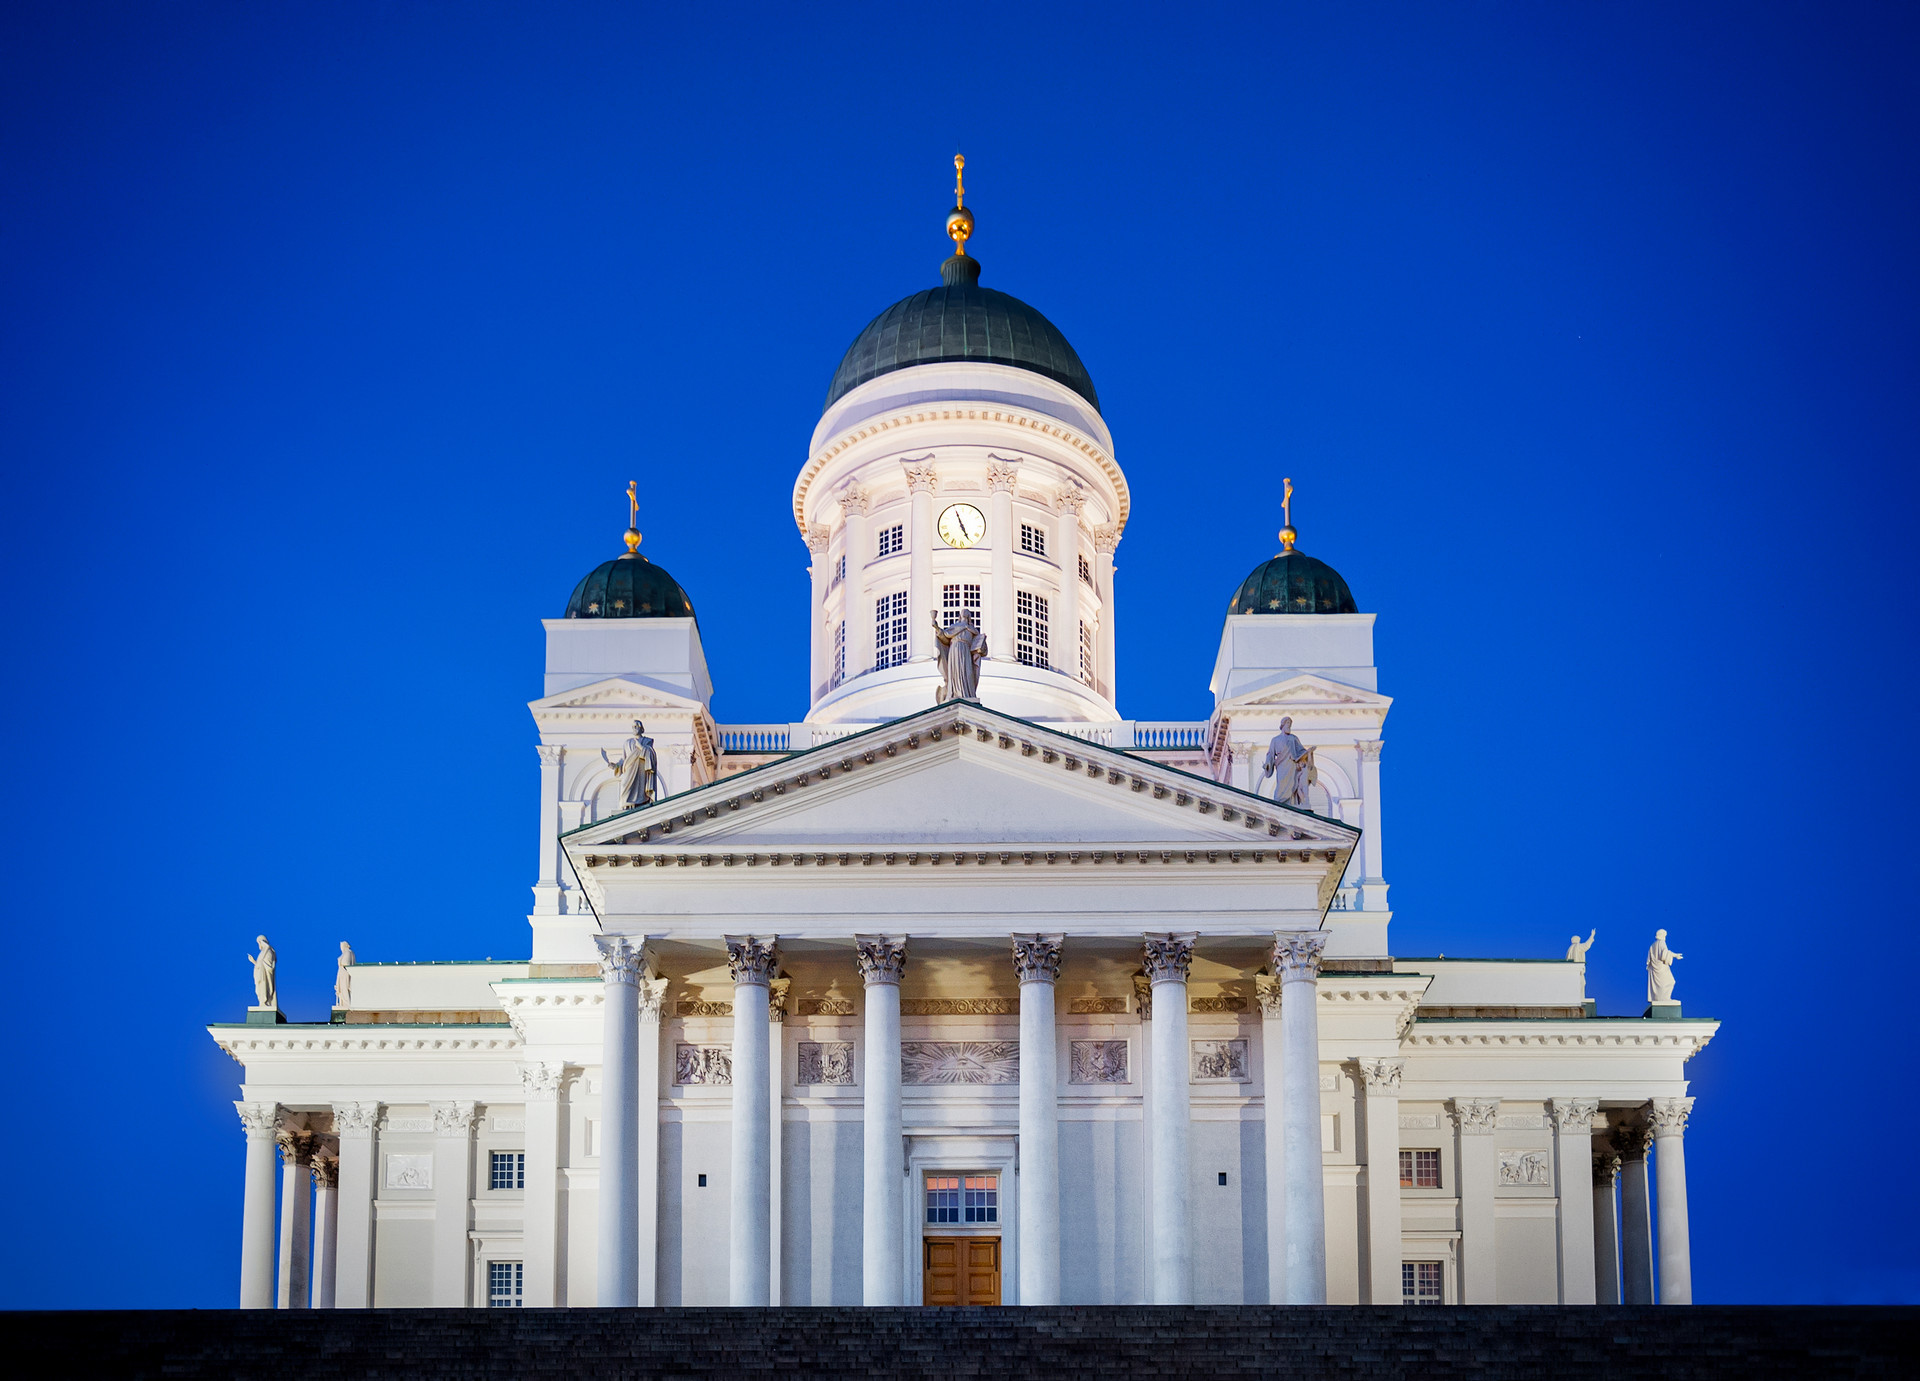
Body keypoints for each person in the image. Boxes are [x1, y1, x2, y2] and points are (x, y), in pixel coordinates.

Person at [931, 607, 988, 702]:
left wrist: (981, 648)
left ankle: (967, 693)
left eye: (967, 613)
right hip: (955, 650)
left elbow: (980, 647)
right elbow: (945, 638)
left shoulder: (973, 630)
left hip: (966, 651)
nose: (964, 613)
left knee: (968, 672)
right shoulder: (955, 626)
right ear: (960, 616)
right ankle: (954, 692)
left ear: (969, 617)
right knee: (956, 670)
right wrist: (936, 627)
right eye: (962, 613)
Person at [602, 720, 659, 809]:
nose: (635, 728)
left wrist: (641, 747)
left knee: (640, 790)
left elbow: (650, 754)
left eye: (637, 726)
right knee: (625, 786)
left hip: (641, 770)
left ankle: (640, 804)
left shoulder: (647, 741)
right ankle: (626, 805)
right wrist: (616, 766)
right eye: (633, 727)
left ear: (642, 729)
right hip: (629, 768)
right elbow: (623, 759)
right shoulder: (627, 743)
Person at [1261, 717, 1314, 806]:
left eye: (1290, 724)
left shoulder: (1294, 738)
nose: (1289, 725)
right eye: (1287, 723)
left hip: (1292, 766)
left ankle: (1291, 804)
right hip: (1282, 766)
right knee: (1282, 784)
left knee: (1293, 784)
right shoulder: (1275, 740)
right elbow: (1270, 754)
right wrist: (1267, 765)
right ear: (1283, 725)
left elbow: (1301, 751)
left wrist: (1308, 752)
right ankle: (1279, 803)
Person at [1646, 929, 1684, 1003]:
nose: (1665, 937)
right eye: (1665, 935)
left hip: (1656, 969)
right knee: (1670, 981)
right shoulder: (1661, 942)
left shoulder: (1652, 945)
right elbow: (1664, 954)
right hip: (1661, 968)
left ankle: (1660, 998)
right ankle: (1664, 999)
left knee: (1661, 984)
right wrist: (1675, 955)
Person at [246, 935, 276, 1008]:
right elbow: (260, 965)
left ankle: (264, 1002)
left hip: (264, 977)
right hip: (260, 975)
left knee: (264, 986)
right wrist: (253, 961)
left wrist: (258, 964)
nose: (259, 945)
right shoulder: (263, 952)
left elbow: (268, 966)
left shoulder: (268, 951)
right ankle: (262, 1002)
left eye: (259, 942)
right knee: (260, 988)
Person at [335, 941, 356, 1008]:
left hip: (344, 972)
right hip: (343, 972)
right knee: (343, 988)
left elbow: (346, 962)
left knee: (344, 988)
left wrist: (340, 962)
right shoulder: (347, 953)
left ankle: (346, 1003)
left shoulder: (348, 952)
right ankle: (343, 1003)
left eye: (341, 946)